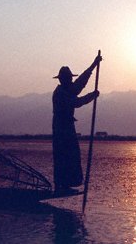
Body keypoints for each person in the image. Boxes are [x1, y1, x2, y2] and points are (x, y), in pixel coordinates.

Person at [52, 52, 102, 192]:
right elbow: (76, 102)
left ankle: (67, 183)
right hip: (61, 127)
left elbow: (81, 82)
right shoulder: (61, 93)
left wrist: (94, 64)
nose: (70, 81)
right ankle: (60, 184)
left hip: (67, 125)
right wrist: (92, 96)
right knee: (62, 154)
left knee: (72, 153)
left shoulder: (69, 89)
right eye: (67, 79)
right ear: (62, 80)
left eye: (69, 78)